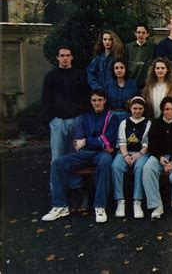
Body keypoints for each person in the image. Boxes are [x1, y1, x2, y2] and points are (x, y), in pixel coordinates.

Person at [42, 89, 119, 223]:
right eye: (94, 100)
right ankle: (60, 206)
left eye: (100, 100)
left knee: (105, 162)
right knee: (58, 163)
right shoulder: (84, 117)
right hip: (84, 154)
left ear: (105, 101)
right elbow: (78, 141)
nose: (97, 103)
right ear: (90, 101)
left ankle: (100, 206)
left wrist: (88, 141)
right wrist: (97, 142)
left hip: (102, 155)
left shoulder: (112, 117)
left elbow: (108, 140)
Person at [42, 46, 89, 189]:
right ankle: (56, 185)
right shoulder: (51, 76)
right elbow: (46, 100)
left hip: (76, 120)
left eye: (68, 55)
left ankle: (74, 184)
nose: (65, 58)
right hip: (58, 122)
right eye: (62, 55)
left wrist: (82, 118)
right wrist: (52, 119)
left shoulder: (79, 75)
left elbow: (86, 97)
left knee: (74, 155)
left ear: (72, 57)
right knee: (57, 156)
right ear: (57, 57)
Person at [142, 97, 172, 217]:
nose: (169, 112)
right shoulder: (156, 123)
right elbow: (152, 144)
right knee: (147, 169)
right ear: (162, 110)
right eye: (166, 109)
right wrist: (159, 157)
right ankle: (156, 204)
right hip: (159, 156)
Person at [111, 97, 151, 219]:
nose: (137, 111)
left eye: (140, 108)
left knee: (140, 168)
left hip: (141, 153)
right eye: (135, 108)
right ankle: (120, 201)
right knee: (116, 166)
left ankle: (137, 201)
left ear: (143, 109)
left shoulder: (148, 123)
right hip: (125, 152)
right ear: (130, 108)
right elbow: (122, 142)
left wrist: (138, 155)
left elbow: (147, 144)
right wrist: (126, 155)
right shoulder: (124, 123)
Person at [124, 23, 156, 89]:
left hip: (148, 84)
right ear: (135, 33)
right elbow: (125, 63)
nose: (141, 35)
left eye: (143, 32)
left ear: (147, 34)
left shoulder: (153, 47)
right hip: (132, 82)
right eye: (138, 32)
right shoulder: (128, 47)